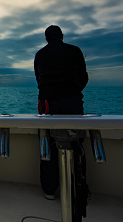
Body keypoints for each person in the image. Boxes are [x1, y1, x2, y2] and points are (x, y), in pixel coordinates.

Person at [34, 25, 89, 200]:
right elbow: (83, 76)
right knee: (76, 144)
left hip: (48, 104)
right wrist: (73, 91)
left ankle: (49, 188)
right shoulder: (75, 51)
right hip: (72, 103)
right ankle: (79, 189)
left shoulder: (40, 55)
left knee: (48, 144)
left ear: (46, 39)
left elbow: (39, 80)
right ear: (62, 36)